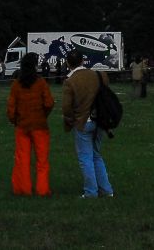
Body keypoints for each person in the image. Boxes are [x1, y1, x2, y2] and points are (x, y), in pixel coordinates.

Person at [61, 49, 114, 198]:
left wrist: (70, 120)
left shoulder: (70, 81)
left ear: (67, 63)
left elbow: (66, 107)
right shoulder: (100, 75)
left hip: (82, 123)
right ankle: (106, 190)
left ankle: (91, 192)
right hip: (100, 121)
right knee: (97, 155)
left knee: (85, 158)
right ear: (83, 61)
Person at [6, 52, 54, 196]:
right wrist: (43, 115)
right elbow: (49, 103)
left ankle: (23, 189)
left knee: (22, 159)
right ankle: (43, 189)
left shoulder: (16, 85)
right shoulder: (41, 83)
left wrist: (15, 120)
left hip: (22, 126)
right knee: (42, 161)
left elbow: (11, 108)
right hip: (39, 125)